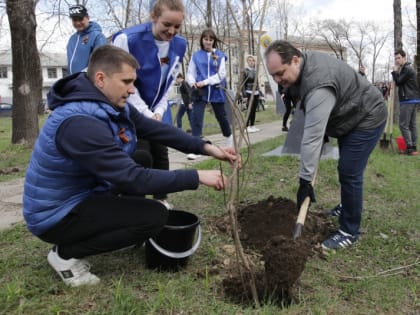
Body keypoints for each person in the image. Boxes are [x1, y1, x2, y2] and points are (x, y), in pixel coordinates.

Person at [22, 45, 239, 287]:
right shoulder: (79, 124)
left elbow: (153, 128)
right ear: (101, 79)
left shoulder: (107, 103)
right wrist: (196, 176)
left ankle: (125, 227)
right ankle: (65, 254)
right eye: (126, 81)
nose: (132, 89)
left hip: (80, 193)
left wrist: (206, 147)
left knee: (143, 158)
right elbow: (132, 178)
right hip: (56, 215)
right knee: (154, 216)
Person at [264, 40, 387, 251]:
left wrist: (305, 181)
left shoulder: (319, 83)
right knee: (347, 170)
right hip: (348, 115)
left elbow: (312, 138)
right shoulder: (301, 69)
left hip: (367, 115)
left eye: (280, 73)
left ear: (295, 60)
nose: (277, 80)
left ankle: (349, 231)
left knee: (349, 171)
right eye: (273, 75)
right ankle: (347, 205)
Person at [113, 0, 187, 208]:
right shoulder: (128, 40)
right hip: (130, 108)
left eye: (177, 26)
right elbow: (124, 83)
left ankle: (161, 199)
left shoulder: (180, 45)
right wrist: (147, 113)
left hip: (156, 110)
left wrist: (160, 111)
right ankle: (137, 205)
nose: (172, 31)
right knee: (141, 155)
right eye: (166, 24)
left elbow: (169, 81)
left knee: (160, 152)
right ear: (153, 17)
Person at [186, 28, 233, 160]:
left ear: (214, 41)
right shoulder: (196, 56)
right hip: (200, 91)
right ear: (202, 40)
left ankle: (229, 138)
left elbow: (221, 74)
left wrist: (206, 82)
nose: (208, 42)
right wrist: (192, 82)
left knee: (221, 116)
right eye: (205, 39)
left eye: (210, 39)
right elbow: (190, 72)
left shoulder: (220, 55)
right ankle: (195, 148)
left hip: (215, 89)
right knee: (196, 117)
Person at [391, 49, 419, 156]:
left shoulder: (407, 69)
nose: (397, 60)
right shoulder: (407, 69)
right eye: (395, 58)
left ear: (404, 57)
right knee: (412, 125)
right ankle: (413, 148)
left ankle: (410, 148)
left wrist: (394, 71)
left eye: (398, 58)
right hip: (413, 99)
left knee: (403, 125)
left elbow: (398, 81)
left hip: (408, 99)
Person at [67, 4, 107, 75]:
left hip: (88, 81)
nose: (78, 23)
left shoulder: (97, 36)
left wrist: (83, 77)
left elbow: (100, 62)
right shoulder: (72, 39)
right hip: (73, 81)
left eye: (80, 19)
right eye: (74, 20)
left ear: (87, 18)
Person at [241, 55, 261, 133]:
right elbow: (242, 84)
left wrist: (259, 92)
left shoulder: (255, 71)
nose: (251, 62)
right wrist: (244, 95)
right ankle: (246, 126)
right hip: (248, 92)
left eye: (253, 60)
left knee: (253, 110)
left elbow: (257, 82)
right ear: (247, 61)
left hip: (255, 93)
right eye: (249, 60)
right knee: (249, 110)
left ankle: (252, 125)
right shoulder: (245, 71)